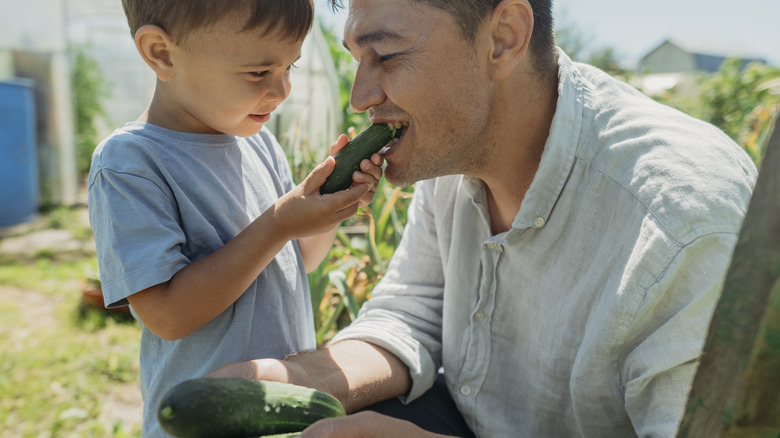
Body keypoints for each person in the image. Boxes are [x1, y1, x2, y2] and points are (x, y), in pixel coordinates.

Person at [208, 0, 759, 437]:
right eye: (357, 57)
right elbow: (413, 312)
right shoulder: (455, 148)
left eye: (389, 56)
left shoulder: (684, 227)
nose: (360, 97)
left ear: (503, 39)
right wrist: (299, 378)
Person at [87, 1, 385, 436]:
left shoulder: (260, 145)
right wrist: (279, 223)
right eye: (259, 73)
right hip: (206, 421)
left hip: (282, 411)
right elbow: (167, 316)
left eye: (291, 67)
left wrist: (333, 205)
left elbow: (299, 261)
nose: (282, 90)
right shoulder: (131, 163)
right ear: (161, 54)